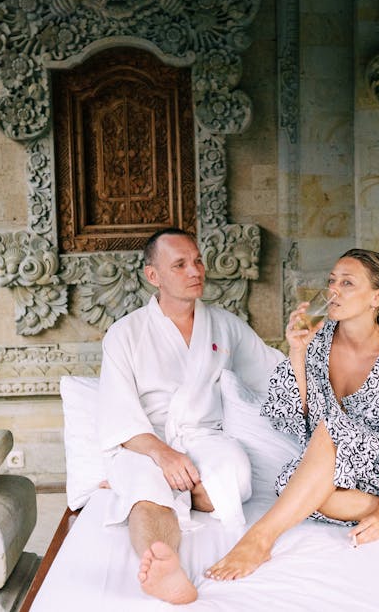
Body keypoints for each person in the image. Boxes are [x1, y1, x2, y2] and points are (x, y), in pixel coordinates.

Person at [205, 248, 379, 581]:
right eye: (332, 281)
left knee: (328, 430)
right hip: (337, 465)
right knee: (299, 489)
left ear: (376, 297)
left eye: (347, 283)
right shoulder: (318, 339)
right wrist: (296, 350)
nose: (333, 290)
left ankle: (259, 538)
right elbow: (291, 415)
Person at [96, 228, 284, 604]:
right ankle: (166, 568)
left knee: (235, 475)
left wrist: (301, 347)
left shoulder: (225, 325)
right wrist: (163, 456)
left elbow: (273, 375)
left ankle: (172, 491)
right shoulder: (124, 334)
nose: (195, 270)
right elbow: (119, 415)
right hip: (146, 443)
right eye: (180, 264)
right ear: (154, 276)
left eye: (197, 261)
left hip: (204, 438)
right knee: (148, 490)